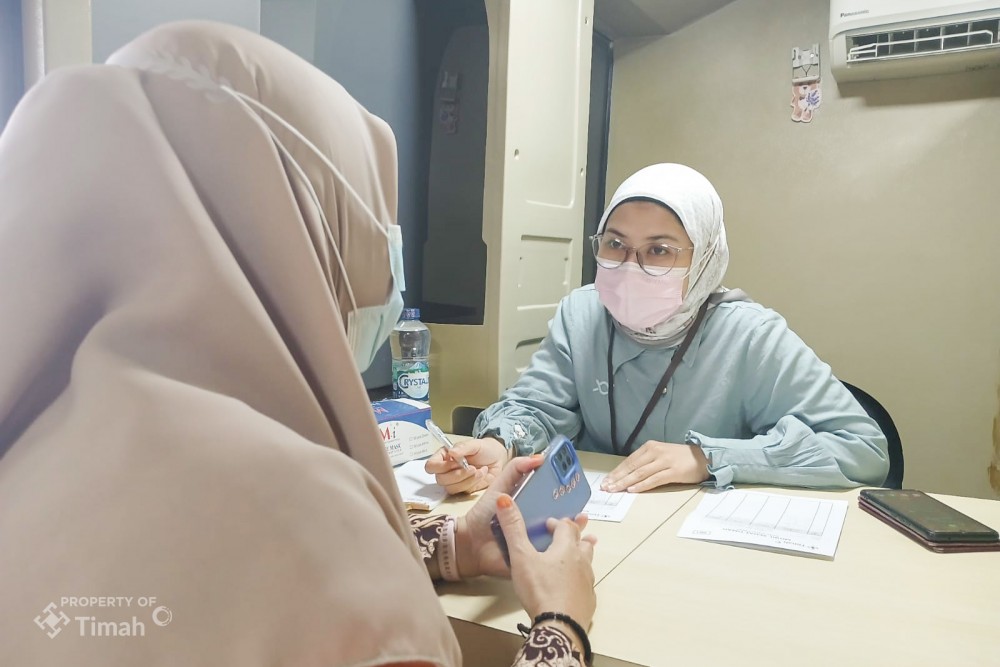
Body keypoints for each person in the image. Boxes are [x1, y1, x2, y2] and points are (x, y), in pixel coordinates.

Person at [0, 21, 596, 667]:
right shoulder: (301, 517)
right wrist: (562, 624)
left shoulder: (43, 434)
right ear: (303, 227)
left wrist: (452, 543)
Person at [427, 163, 890, 495]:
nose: (630, 265)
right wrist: (500, 443)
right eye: (615, 244)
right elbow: (537, 408)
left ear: (704, 259)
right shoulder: (582, 313)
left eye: (660, 250)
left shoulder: (752, 336)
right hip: (597, 523)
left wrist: (707, 458)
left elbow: (863, 449)